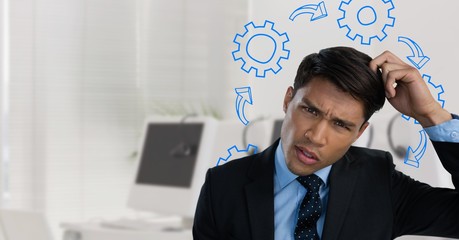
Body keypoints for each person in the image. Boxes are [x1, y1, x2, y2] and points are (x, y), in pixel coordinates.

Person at [192, 46, 459, 240]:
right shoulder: (223, 187)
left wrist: (432, 115)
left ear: (359, 132)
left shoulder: (379, 183)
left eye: (341, 125)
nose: (316, 137)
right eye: (310, 111)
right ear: (288, 100)